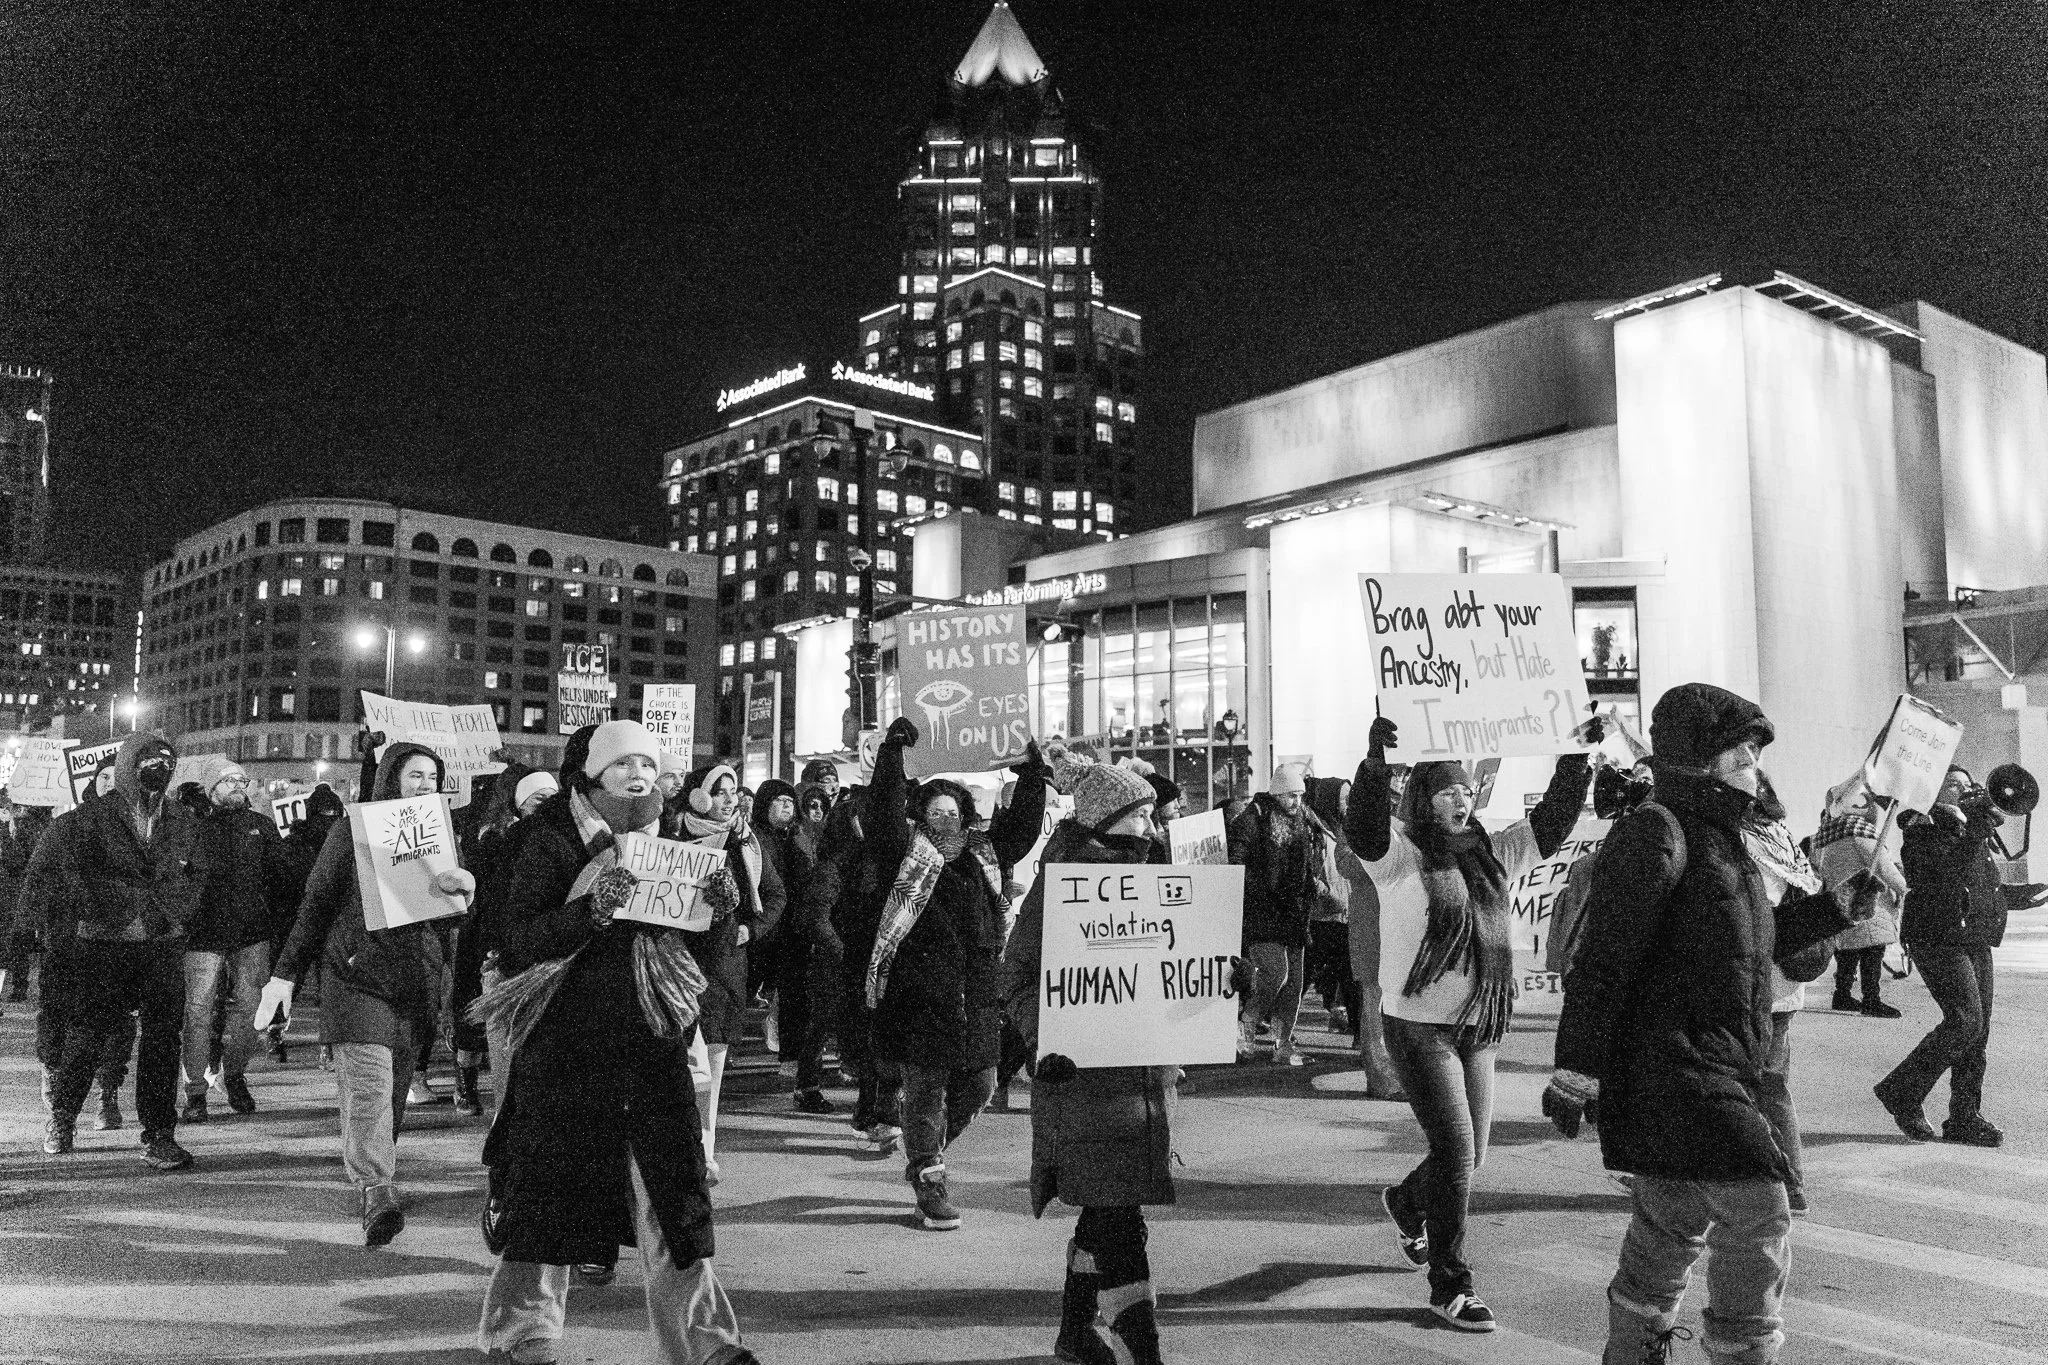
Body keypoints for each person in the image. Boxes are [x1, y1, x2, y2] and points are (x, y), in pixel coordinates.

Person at [1546, 683, 1879, 1364]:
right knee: (1761, 1207)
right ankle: (1742, 1350)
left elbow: (1761, 937)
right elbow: (1603, 960)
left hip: (1721, 1062)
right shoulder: (1656, 831)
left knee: (1668, 1225)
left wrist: (1838, 906)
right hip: (1673, 1066)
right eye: (1744, 750)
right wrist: (1574, 1071)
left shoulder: (1730, 837)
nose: (1755, 764)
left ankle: (1634, 1352)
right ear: (1704, 757)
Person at [472, 720, 758, 1365]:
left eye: (648, 765)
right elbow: (520, 939)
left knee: (672, 1203)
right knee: (546, 1201)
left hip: (650, 1044)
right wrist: (592, 908)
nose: (638, 775)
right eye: (623, 763)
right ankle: (522, 1334)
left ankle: (707, 1343)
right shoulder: (543, 842)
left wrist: (720, 909)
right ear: (592, 773)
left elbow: (699, 954)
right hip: (565, 1048)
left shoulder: (679, 849)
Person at [1351, 715, 1593, 1332]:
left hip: (1478, 1027)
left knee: (1471, 1155)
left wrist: (1576, 753)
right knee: (1456, 1151)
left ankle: (1407, 1203)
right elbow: (1363, 825)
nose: (1460, 798)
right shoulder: (1398, 856)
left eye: (1464, 790)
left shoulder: (1493, 851)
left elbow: (1553, 823)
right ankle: (1451, 1286)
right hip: (1418, 1028)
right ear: (1421, 801)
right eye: (1445, 790)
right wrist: (1375, 759)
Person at [259, 742, 475, 1244]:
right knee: (370, 1089)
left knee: (394, 1090)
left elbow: (452, 914)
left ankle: (379, 1167)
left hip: (414, 980)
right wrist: (284, 975)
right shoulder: (352, 829)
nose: (424, 785)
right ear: (391, 778)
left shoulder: (442, 835)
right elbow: (315, 904)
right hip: (355, 977)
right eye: (415, 775)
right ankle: (377, 1189)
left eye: (431, 777)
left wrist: (464, 893)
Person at [1002, 748, 1173, 1365]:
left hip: (1139, 1082)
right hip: (1080, 1080)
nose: (1152, 830)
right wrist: (1043, 1039)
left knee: (1109, 1212)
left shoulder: (1151, 879)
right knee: (1119, 1217)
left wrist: (1219, 980)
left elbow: (1170, 967)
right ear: (1107, 820)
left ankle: (1076, 1331)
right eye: (1140, 818)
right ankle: (1141, 1347)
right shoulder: (1063, 886)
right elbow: (1016, 974)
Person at [864, 716, 1048, 1230]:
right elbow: (879, 815)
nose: (945, 817)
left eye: (953, 810)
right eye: (935, 809)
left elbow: (1023, 827)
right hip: (922, 992)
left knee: (982, 1084)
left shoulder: (984, 853)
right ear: (920, 815)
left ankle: (927, 1154)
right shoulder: (904, 852)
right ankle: (929, 1176)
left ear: (967, 815)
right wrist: (892, 758)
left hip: (979, 992)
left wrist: (1031, 771)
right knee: (924, 1090)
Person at [33, 733, 204, 1169]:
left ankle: (159, 1134)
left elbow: (199, 874)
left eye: (168, 760)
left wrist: (177, 910)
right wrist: (92, 909)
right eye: (149, 760)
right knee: (89, 1036)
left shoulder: (183, 819)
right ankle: (63, 1116)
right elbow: (53, 872)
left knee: (163, 1040)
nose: (159, 767)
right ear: (129, 764)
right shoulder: (87, 819)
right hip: (104, 945)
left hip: (161, 943)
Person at [1873, 764, 2034, 1148]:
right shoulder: (1921, 829)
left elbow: (1973, 883)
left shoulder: (1970, 828)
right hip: (1937, 936)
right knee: (1964, 1021)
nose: (1964, 789)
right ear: (1934, 791)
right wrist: (1974, 832)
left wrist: (2013, 895)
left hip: (1974, 935)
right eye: (1953, 783)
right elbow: (1939, 880)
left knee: (1979, 1031)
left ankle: (1964, 1115)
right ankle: (1902, 1091)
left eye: (1967, 783)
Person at [672, 763, 783, 1184]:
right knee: (680, 1065)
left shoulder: (746, 842)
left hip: (724, 971)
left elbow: (774, 895)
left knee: (712, 1069)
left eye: (733, 791)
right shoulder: (674, 836)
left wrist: (749, 929)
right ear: (698, 796)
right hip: (680, 965)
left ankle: (705, 1150)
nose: (728, 799)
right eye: (718, 791)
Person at [180, 755, 296, 1122]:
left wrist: (278, 926)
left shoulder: (261, 826)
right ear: (211, 787)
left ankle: (234, 1075)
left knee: (250, 1011)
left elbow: (282, 880)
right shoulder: (192, 826)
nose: (238, 787)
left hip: (251, 933)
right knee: (197, 1014)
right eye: (229, 781)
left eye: (242, 781)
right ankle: (195, 1091)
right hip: (202, 934)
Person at [13, 787, 134, 1132]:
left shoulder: (142, 830)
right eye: (105, 778)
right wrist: (24, 929)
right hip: (66, 939)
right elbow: (37, 876)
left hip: (118, 940)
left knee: (117, 1018)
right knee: (56, 1011)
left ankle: (107, 1092)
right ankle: (53, 1069)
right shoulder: (67, 826)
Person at [452, 763, 556, 1116]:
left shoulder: (551, 838)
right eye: (538, 799)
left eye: (552, 798)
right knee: (476, 1018)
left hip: (526, 945)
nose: (545, 806)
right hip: (486, 938)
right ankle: (469, 1083)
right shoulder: (492, 837)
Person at [1744, 772, 1826, 1216]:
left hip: (1754, 984)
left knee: (1738, 1089)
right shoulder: (1780, 835)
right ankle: (1791, 1185)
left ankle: (1758, 1187)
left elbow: (1755, 914)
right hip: (1785, 985)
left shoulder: (1742, 841)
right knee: (1773, 1088)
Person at [1227, 762, 1328, 1066]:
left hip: (1295, 909)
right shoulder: (1254, 820)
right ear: (1275, 794)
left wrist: (1312, 884)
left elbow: (1314, 855)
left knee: (1295, 981)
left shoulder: (1307, 820)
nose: (1296, 801)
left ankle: (1282, 1043)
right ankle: (1247, 1023)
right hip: (1264, 908)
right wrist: (1260, 886)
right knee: (1275, 973)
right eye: (1289, 795)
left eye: (1299, 795)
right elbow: (1238, 861)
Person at [1308, 777, 1402, 1098]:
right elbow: (1347, 864)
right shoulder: (1354, 830)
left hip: (1397, 925)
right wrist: (1384, 859)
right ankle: (1381, 1077)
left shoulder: (1400, 825)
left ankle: (1400, 1072)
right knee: (1373, 1001)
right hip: (1368, 926)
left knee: (1395, 1003)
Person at [1812, 775, 1907, 1017]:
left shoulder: (1825, 836)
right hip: (1869, 902)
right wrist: (1902, 887)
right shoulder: (1859, 832)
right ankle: (1871, 1000)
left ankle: (1841, 995)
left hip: (1842, 900)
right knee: (1872, 951)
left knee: (1847, 951)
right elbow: (1884, 868)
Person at [751, 779, 807, 1060]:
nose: (787, 805)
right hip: (761, 926)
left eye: (790, 800)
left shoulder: (796, 836)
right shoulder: (753, 837)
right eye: (779, 800)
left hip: (788, 927)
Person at [1303, 776, 1360, 1039]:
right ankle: (1262, 1019)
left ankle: (1361, 1033)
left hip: (1343, 914)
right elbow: (1310, 870)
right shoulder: (1314, 830)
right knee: (1301, 976)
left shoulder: (1343, 828)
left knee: (1351, 978)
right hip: (1321, 916)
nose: (1349, 803)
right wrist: (1321, 889)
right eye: (1343, 798)